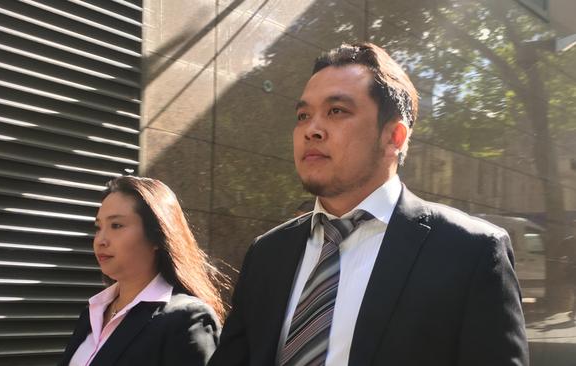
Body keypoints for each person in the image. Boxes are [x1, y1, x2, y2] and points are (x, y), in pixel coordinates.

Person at [208, 43, 529, 366]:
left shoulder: (470, 252)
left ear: (394, 137)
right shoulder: (268, 252)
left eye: (336, 111)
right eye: (303, 115)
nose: (312, 130)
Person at [59, 176, 229, 366]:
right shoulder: (92, 313)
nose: (101, 240)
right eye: (98, 228)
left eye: (116, 226)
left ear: (157, 236)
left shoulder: (186, 319)